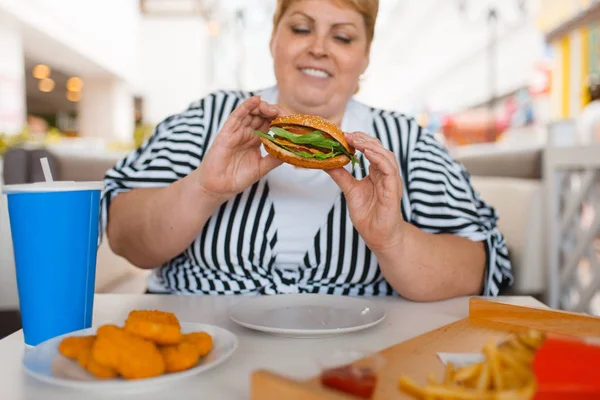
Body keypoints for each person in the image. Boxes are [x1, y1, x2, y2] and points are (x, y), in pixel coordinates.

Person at [100, 0, 513, 299]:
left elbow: (479, 266)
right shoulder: (212, 119)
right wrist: (203, 189)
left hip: (362, 355)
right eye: (301, 28)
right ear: (273, 38)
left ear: (365, 55)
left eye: (343, 36)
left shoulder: (404, 140)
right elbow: (123, 235)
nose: (319, 47)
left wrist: (393, 239)